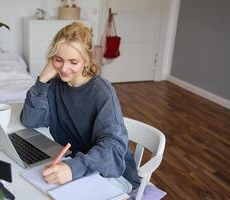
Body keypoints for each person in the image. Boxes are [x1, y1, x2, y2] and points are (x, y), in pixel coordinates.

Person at [20, 21, 141, 192]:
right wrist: (42, 80)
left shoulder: (101, 91)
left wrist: (74, 168)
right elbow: (31, 121)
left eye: (73, 62)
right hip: (75, 164)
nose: (64, 68)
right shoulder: (55, 85)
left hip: (111, 173)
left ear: (87, 60)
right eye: (58, 60)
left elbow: (113, 146)